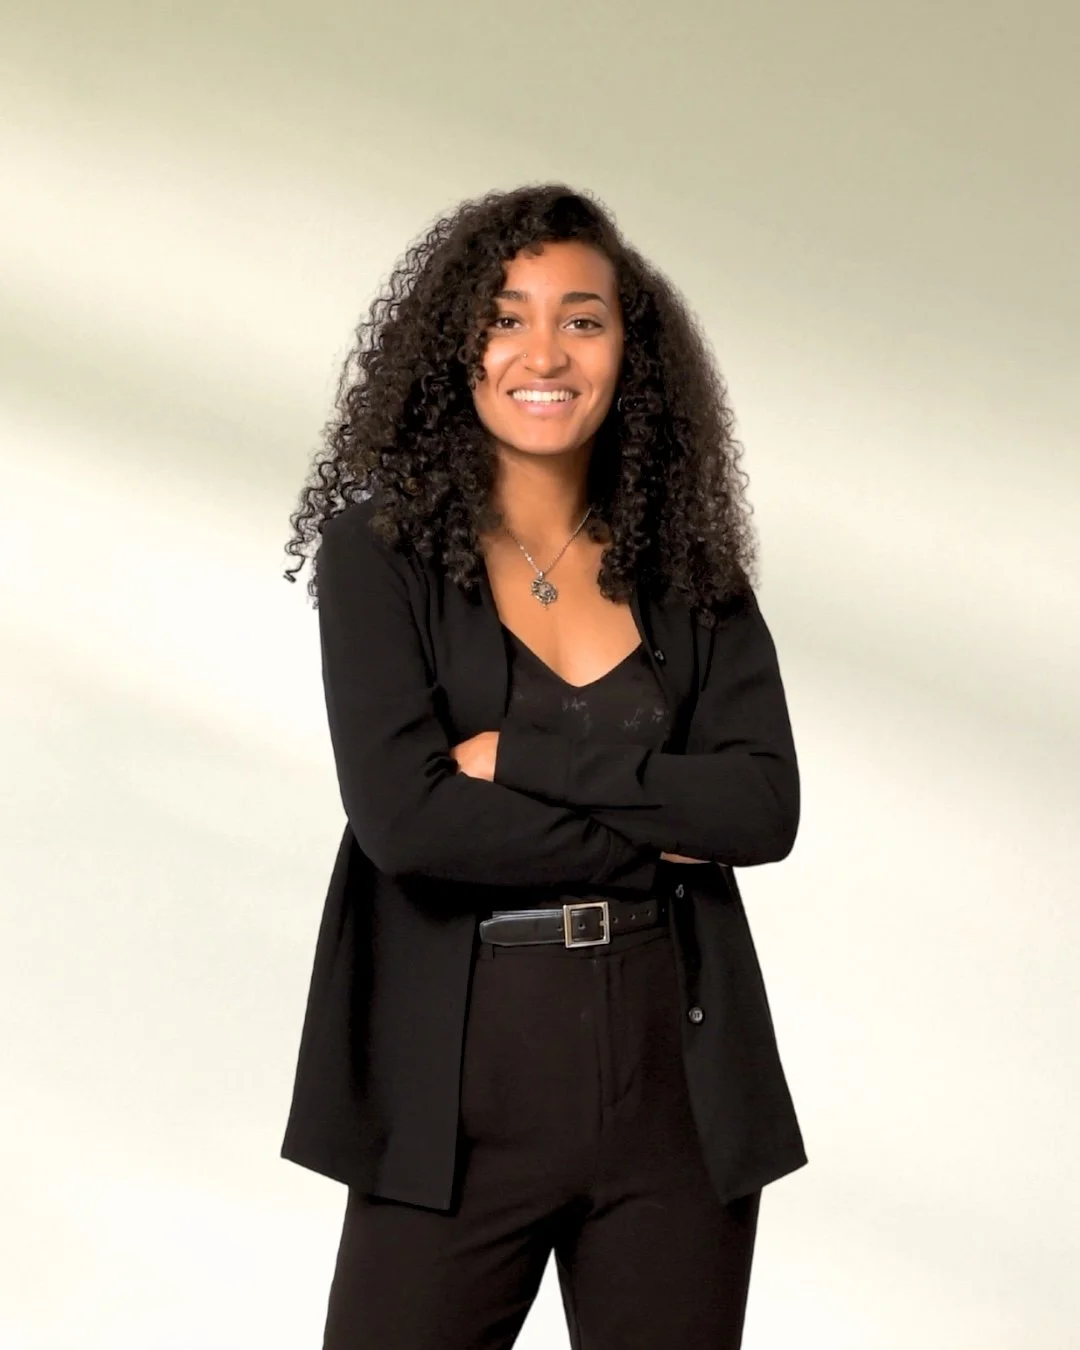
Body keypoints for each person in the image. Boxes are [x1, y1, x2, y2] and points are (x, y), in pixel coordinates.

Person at [281, 184, 806, 1350]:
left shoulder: (687, 564)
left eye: (584, 317)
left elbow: (763, 805)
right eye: (507, 315)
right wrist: (658, 828)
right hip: (458, 1085)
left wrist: (521, 756)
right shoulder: (381, 553)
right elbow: (408, 822)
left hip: (676, 1078)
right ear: (454, 344)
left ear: (631, 350)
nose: (544, 352)